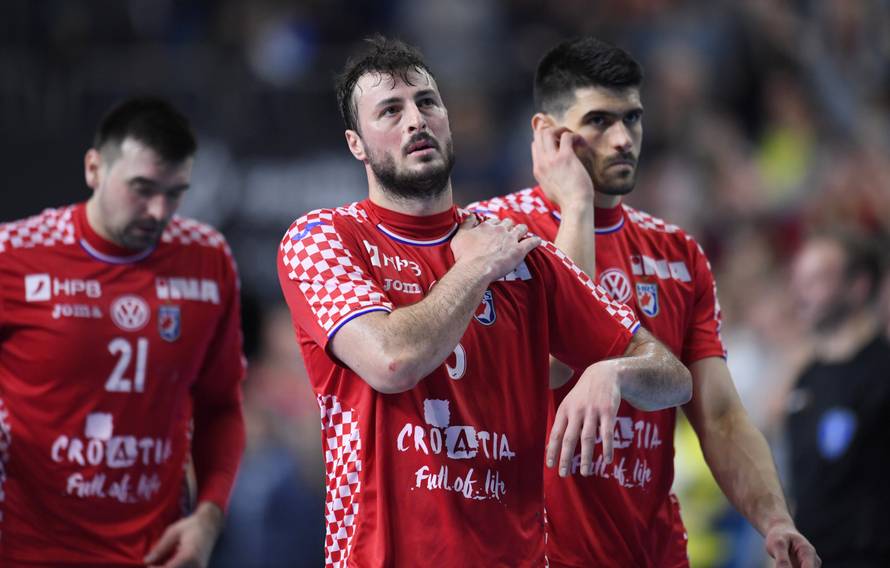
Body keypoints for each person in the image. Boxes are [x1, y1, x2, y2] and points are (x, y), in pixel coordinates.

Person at [276, 36, 692, 567]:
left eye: (427, 102)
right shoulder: (323, 239)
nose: (415, 120)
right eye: (390, 110)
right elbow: (392, 359)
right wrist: (475, 267)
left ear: (448, 118)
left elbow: (673, 376)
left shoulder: (517, 252)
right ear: (356, 144)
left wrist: (613, 374)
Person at [468, 36, 819, 567]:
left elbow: (720, 415)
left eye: (632, 119)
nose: (622, 139)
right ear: (547, 134)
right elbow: (557, 363)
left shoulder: (679, 254)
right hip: (536, 553)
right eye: (599, 122)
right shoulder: (492, 234)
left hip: (652, 551)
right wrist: (578, 208)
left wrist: (773, 519)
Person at [0, 97, 246, 567]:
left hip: (154, 552)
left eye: (175, 193)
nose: (158, 210)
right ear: (94, 168)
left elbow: (222, 405)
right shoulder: (13, 256)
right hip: (28, 549)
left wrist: (209, 515)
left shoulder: (207, 259)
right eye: (142, 188)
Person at [786, 230, 890, 566]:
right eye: (797, 280)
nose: (800, 294)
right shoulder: (806, 378)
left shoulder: (882, 372)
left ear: (858, 286)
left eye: (815, 280)